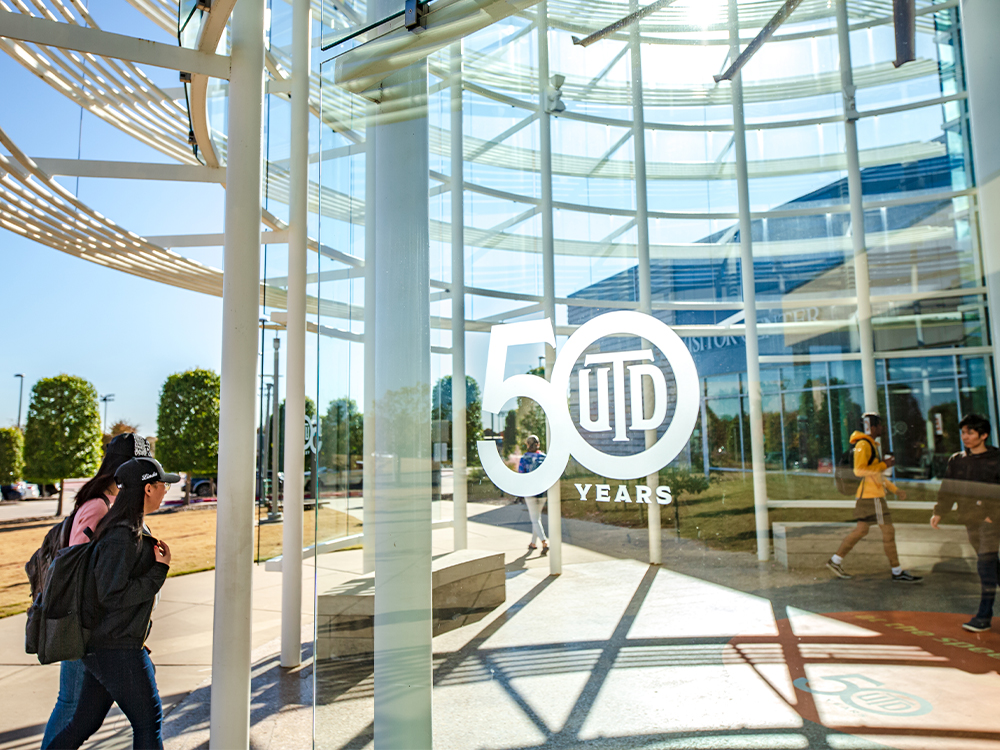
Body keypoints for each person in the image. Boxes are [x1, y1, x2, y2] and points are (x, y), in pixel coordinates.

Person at [48, 456, 178, 750]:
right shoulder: (122, 534)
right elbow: (111, 594)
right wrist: (159, 570)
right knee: (148, 722)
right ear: (147, 489)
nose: (165, 492)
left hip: (110, 646)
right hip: (115, 649)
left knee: (84, 723)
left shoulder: (123, 526)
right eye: (162, 486)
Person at [826, 413, 922, 583]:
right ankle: (897, 571)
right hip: (872, 498)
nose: (882, 429)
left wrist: (895, 489)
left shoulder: (868, 445)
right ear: (873, 427)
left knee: (861, 530)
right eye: (880, 426)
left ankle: (835, 560)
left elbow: (875, 476)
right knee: (888, 532)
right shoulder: (864, 445)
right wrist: (886, 465)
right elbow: (859, 471)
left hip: (869, 496)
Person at [931, 413, 1000, 632]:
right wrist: (939, 512)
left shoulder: (997, 458)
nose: (965, 437)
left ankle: (983, 616)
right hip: (970, 520)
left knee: (985, 565)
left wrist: (993, 515)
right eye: (963, 432)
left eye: (970, 432)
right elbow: (948, 488)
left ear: (984, 435)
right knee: (991, 565)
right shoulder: (957, 460)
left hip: (992, 521)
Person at [518, 434, 548, 554]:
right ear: (538, 444)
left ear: (527, 445)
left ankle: (544, 542)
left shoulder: (524, 459)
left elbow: (521, 476)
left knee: (535, 519)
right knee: (537, 518)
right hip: (543, 492)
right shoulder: (544, 458)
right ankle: (533, 543)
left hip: (530, 492)